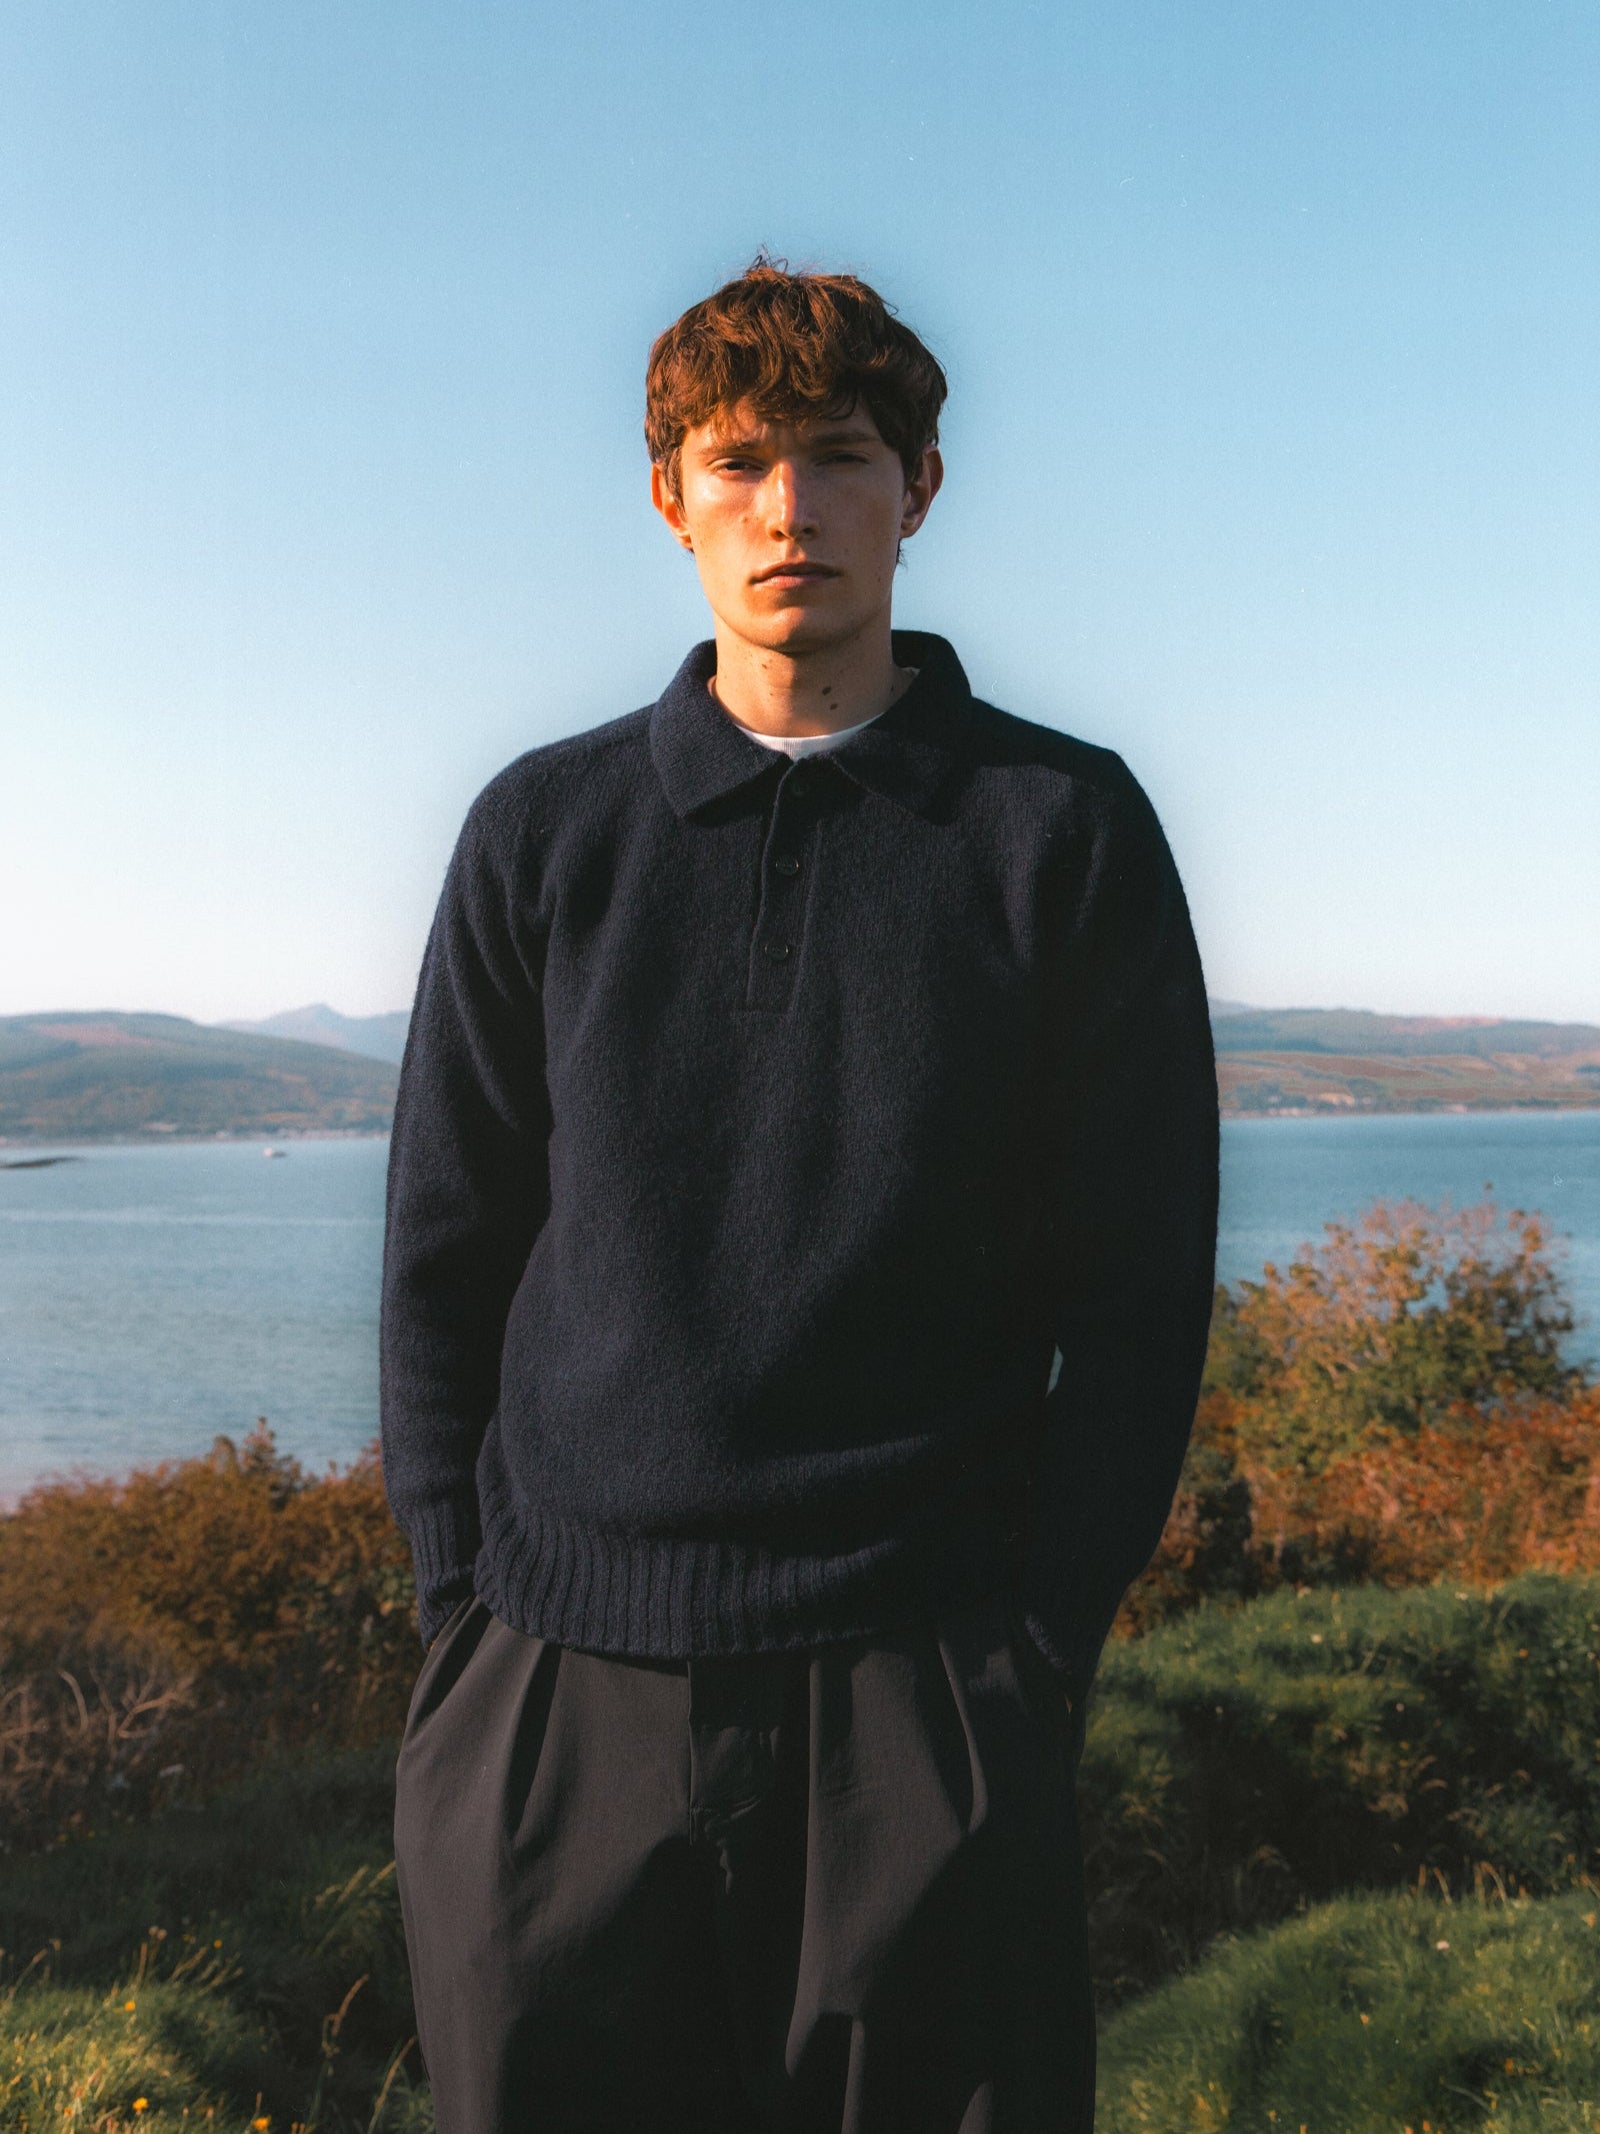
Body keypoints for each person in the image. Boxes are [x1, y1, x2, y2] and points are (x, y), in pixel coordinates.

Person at [380, 258, 1219, 2134]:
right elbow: (446, 1260)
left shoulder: (1061, 832)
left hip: (927, 1693)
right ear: (667, 493)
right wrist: (466, 1631)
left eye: (839, 458)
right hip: (558, 1700)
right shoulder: (542, 832)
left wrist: (1031, 1653)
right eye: (739, 459)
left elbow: (1145, 1290)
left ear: (919, 488)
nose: (789, 510)